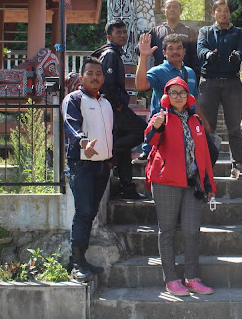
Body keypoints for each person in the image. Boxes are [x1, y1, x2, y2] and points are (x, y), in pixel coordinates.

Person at [144, 76, 216, 297]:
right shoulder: (162, 117)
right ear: (167, 96)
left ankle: (192, 277)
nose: (178, 97)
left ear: (189, 96)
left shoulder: (195, 120)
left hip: (193, 183)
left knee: (191, 231)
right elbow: (150, 140)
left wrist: (210, 185)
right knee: (166, 232)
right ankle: (171, 279)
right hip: (166, 182)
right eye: (173, 93)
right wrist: (155, 127)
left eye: (182, 92)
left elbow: (203, 155)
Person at [62, 56, 113, 282]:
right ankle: (76, 263)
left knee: (90, 213)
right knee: (83, 212)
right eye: (90, 73)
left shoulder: (106, 103)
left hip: (102, 165)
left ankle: (80, 259)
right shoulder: (74, 99)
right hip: (81, 164)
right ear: (81, 77)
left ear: (103, 77)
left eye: (98, 74)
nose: (95, 77)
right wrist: (83, 141)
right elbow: (71, 123)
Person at [91, 19, 146, 199]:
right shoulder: (110, 55)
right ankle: (110, 151)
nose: (123, 35)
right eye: (118, 32)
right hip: (113, 108)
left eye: (124, 32)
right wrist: (119, 105)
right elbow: (105, 85)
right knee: (141, 130)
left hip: (114, 107)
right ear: (109, 36)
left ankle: (127, 187)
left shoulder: (115, 53)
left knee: (125, 146)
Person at [132, 33, 206, 165]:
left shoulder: (190, 72)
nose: (175, 51)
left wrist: (204, 124)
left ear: (184, 51)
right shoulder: (158, 71)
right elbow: (141, 85)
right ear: (164, 52)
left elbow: (194, 100)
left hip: (186, 132)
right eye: (171, 48)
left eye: (179, 48)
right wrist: (143, 57)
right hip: (163, 132)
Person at [197, 0, 242, 179]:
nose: (223, 14)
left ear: (230, 14)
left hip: (232, 83)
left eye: (226, 10)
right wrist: (208, 55)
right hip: (209, 82)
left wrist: (238, 56)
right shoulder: (205, 31)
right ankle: (205, 165)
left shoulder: (238, 32)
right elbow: (201, 48)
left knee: (234, 127)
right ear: (213, 13)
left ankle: (237, 166)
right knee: (206, 126)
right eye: (219, 11)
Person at [145, 0, 201, 82]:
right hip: (161, 77)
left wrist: (195, 77)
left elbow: (195, 57)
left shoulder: (189, 31)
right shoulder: (156, 32)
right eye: (169, 7)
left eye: (175, 7)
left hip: (183, 76)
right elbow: (141, 49)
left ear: (181, 11)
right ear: (164, 11)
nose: (172, 10)